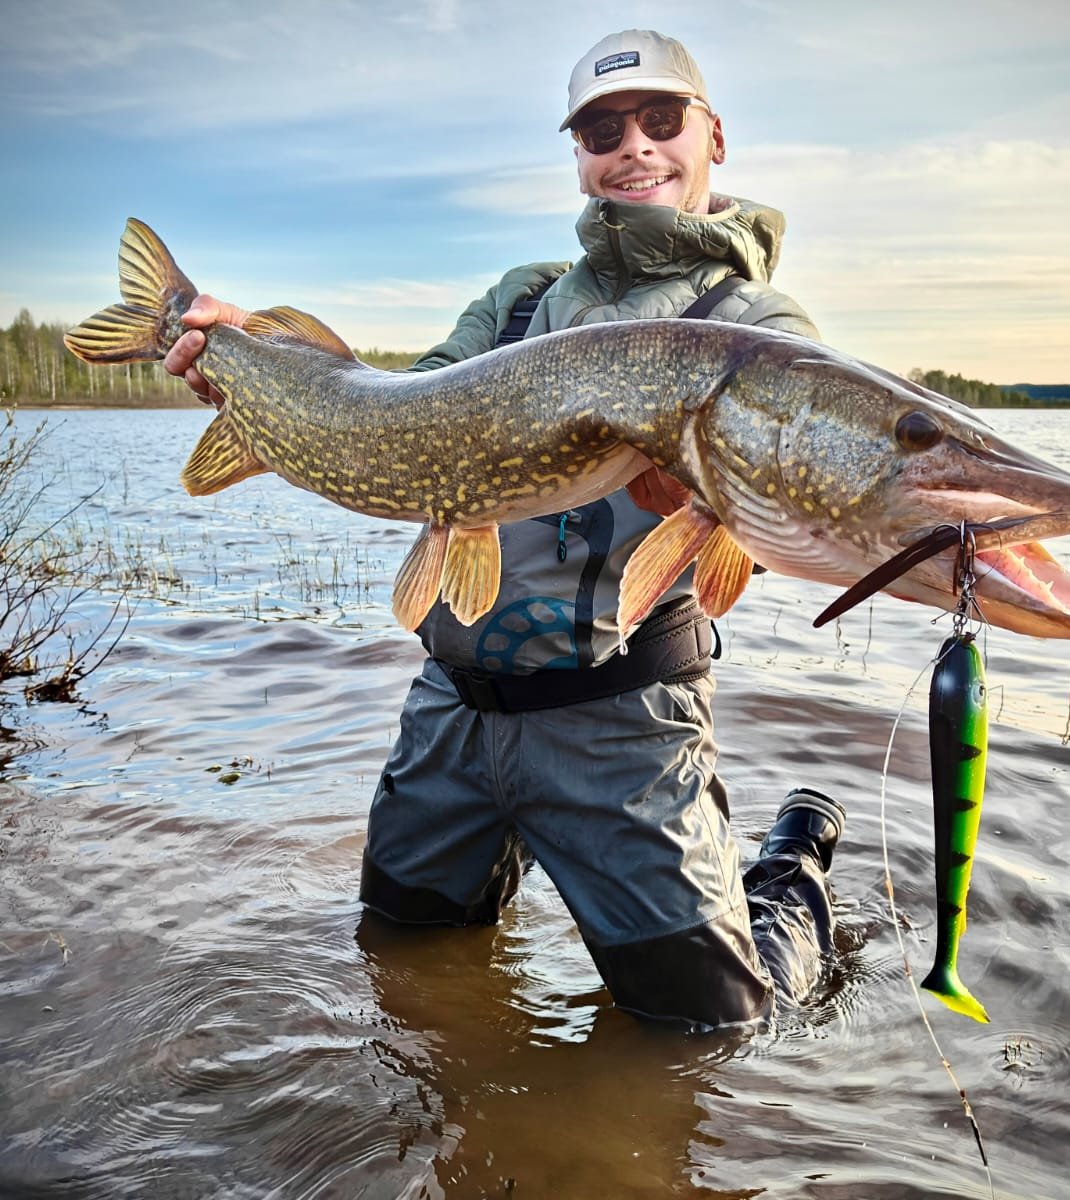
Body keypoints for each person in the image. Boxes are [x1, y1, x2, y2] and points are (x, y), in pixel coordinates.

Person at [165, 30, 846, 1027]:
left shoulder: (757, 328)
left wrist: (703, 500)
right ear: (579, 154)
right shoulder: (523, 299)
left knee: (711, 1024)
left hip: (620, 726)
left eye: (662, 120)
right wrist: (257, 368)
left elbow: (787, 516)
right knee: (406, 956)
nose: (634, 146)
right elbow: (391, 411)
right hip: (453, 711)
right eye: (603, 131)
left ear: (714, 137)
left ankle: (790, 870)